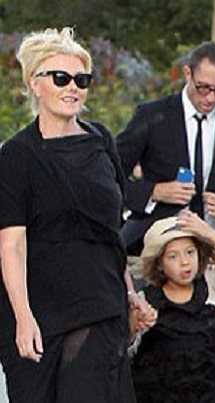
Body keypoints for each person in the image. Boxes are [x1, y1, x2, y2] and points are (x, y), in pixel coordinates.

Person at [0, 27, 137, 402]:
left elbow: (113, 231)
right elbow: (12, 244)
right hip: (41, 310)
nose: (72, 87)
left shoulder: (102, 140)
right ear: (34, 83)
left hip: (101, 303)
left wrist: (130, 295)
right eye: (60, 78)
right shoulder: (16, 156)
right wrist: (23, 317)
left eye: (82, 79)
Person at [116, 41, 215, 255]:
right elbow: (108, 176)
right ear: (187, 74)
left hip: (212, 238)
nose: (210, 97)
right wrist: (154, 192)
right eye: (203, 87)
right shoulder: (151, 116)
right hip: (152, 237)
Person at [129, 211, 215, 403]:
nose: (184, 262)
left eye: (190, 252)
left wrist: (208, 233)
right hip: (159, 394)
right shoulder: (146, 300)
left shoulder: (212, 284)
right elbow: (128, 347)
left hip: (207, 393)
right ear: (159, 265)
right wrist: (135, 322)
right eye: (173, 256)